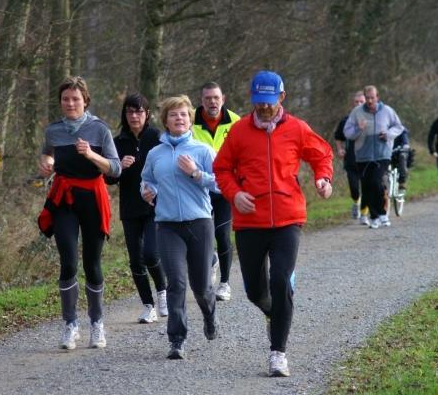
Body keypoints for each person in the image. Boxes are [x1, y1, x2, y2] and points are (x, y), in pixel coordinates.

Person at [213, 70, 333, 377]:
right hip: (250, 220)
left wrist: (323, 177)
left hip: (287, 218)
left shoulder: (297, 129)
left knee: (281, 280)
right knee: (255, 291)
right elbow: (221, 168)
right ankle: (273, 313)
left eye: (269, 102)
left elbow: (322, 154)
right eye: (259, 103)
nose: (264, 109)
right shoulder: (238, 132)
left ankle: (278, 353)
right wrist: (234, 193)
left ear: (281, 97)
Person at [37, 76, 121, 350]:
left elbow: (115, 169)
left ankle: (97, 324)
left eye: (75, 99)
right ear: (60, 102)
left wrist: (91, 156)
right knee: (69, 262)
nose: (70, 103)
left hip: (92, 199)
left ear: (85, 100)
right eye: (65, 99)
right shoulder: (53, 131)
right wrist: (47, 163)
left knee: (92, 263)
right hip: (64, 199)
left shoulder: (99, 129)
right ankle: (70, 325)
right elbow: (48, 155)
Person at [140, 95, 219, 360]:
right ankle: (177, 339)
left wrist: (197, 173)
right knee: (176, 282)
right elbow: (147, 180)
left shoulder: (202, 151)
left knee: (201, 286)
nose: (179, 118)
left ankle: (209, 314)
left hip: (199, 223)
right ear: (166, 120)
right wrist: (147, 191)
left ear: (190, 120)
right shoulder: (155, 154)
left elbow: (221, 184)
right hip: (167, 225)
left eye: (184, 114)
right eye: (174, 115)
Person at [105, 93, 168, 323]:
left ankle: (162, 291)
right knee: (135, 260)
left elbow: (167, 169)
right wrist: (118, 167)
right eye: (130, 112)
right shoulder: (117, 142)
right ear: (125, 114)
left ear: (147, 114)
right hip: (130, 207)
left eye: (139, 111)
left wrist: (159, 189)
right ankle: (148, 305)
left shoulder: (157, 138)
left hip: (154, 206)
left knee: (151, 253)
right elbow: (109, 179)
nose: (134, 116)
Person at [191, 82, 241, 301]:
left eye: (215, 98)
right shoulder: (190, 121)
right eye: (207, 98)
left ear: (223, 98)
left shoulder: (236, 121)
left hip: (224, 186)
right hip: (198, 186)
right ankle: (211, 260)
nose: (212, 102)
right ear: (201, 100)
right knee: (200, 235)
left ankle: (224, 283)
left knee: (222, 233)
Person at [344, 85, 404, 229]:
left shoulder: (387, 111)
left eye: (373, 98)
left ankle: (382, 214)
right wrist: (359, 128)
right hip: (362, 156)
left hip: (382, 154)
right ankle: (374, 217)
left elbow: (399, 127)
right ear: (365, 98)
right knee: (366, 186)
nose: (370, 100)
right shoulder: (357, 113)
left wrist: (388, 134)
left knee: (376, 181)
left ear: (378, 97)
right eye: (368, 98)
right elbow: (347, 132)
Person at [334, 91, 368, 223]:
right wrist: (340, 149)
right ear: (352, 104)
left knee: (366, 188)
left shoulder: (371, 119)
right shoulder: (346, 120)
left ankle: (364, 215)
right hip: (351, 160)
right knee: (354, 188)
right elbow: (338, 137)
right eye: (356, 102)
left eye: (362, 102)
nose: (359, 104)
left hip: (367, 160)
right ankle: (356, 202)